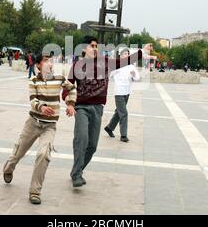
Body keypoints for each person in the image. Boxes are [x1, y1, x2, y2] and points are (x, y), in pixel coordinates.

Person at [63, 36, 152, 187]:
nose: (95, 48)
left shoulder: (105, 62)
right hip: (81, 108)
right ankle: (77, 174)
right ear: (84, 48)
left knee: (92, 146)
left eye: (96, 46)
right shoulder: (77, 65)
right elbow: (67, 88)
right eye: (92, 45)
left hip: (98, 108)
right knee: (82, 139)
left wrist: (142, 51)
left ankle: (76, 170)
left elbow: (124, 61)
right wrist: (70, 103)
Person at [2, 53, 77, 205]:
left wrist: (70, 103)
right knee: (18, 153)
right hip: (33, 123)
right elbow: (33, 99)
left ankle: (35, 191)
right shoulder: (34, 80)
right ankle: (9, 168)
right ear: (38, 65)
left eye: (51, 61)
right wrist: (41, 107)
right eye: (46, 61)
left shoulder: (59, 78)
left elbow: (72, 89)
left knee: (44, 154)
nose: (50, 64)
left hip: (49, 126)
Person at [103, 48, 140, 142]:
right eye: (124, 54)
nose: (126, 55)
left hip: (127, 92)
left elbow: (137, 78)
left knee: (119, 112)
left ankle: (109, 128)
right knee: (124, 113)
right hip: (119, 92)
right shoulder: (117, 65)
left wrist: (134, 74)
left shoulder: (131, 66)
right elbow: (108, 74)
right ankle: (123, 135)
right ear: (120, 55)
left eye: (127, 54)